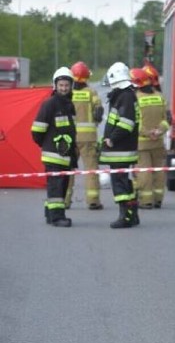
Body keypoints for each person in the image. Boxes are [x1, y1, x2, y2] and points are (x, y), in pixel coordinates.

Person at [31, 67, 77, 227]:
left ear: (71, 86)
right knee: (56, 186)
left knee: (62, 186)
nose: (64, 88)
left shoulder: (70, 105)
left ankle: (50, 213)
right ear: (55, 86)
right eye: (61, 85)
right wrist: (47, 145)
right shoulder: (49, 104)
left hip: (67, 156)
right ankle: (57, 217)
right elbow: (37, 130)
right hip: (53, 155)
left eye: (66, 85)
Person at [100, 62, 141, 229]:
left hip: (120, 149)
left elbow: (126, 122)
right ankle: (132, 215)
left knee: (120, 183)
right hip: (122, 149)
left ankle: (125, 217)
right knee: (124, 181)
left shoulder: (125, 96)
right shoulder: (126, 95)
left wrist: (112, 139)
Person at [65, 61, 105, 210]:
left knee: (68, 170)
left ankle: (65, 200)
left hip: (69, 138)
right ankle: (93, 200)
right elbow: (99, 112)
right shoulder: (91, 93)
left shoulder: (67, 92)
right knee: (91, 169)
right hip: (88, 138)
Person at [131, 67, 170, 209]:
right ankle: (158, 198)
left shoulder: (136, 98)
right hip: (158, 141)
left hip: (142, 143)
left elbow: (136, 123)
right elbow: (167, 119)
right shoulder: (160, 96)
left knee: (144, 171)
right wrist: (159, 131)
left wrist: (148, 133)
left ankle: (146, 200)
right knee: (159, 170)